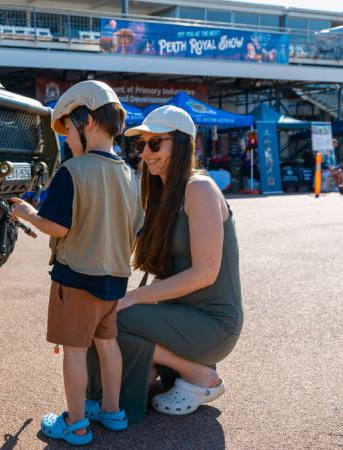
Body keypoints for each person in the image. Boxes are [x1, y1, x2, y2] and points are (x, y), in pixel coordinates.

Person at [88, 105, 243, 423]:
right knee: (105, 311)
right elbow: (164, 273)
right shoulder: (164, 193)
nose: (145, 152)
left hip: (213, 324)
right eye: (141, 145)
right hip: (184, 315)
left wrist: (132, 299)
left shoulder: (199, 188)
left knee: (115, 320)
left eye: (155, 143)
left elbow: (205, 272)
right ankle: (144, 375)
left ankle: (196, 374)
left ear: (183, 144)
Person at [10, 80, 143, 445]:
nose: (67, 139)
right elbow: (136, 227)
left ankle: (77, 424)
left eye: (68, 129)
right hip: (114, 282)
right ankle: (113, 411)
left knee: (74, 352)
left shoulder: (73, 172)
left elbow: (56, 226)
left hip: (76, 279)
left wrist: (28, 214)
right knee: (108, 344)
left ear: (86, 121)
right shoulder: (131, 175)